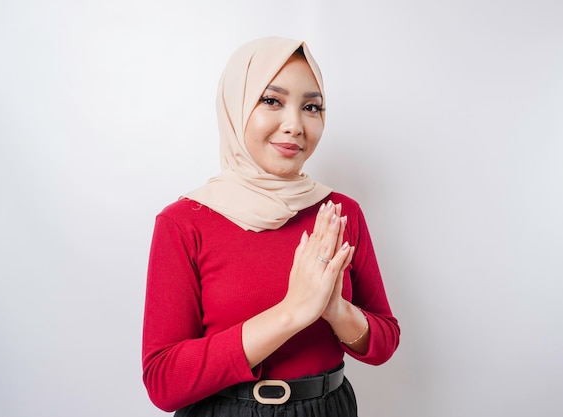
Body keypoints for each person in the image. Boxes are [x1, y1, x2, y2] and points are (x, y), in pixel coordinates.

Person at [142, 36, 400, 417]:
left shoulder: (340, 212)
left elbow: (384, 343)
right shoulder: (184, 222)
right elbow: (164, 382)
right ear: (236, 106)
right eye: (271, 101)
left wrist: (336, 310)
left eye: (311, 107)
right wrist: (291, 312)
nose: (295, 125)